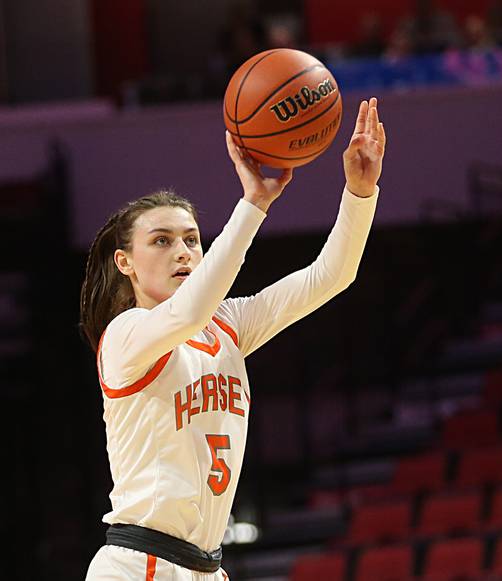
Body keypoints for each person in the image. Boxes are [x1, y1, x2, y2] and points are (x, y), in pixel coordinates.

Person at [82, 98, 386, 580]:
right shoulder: (125, 335)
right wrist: (255, 204)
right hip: (137, 564)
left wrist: (359, 193)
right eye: (161, 240)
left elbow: (330, 276)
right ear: (126, 263)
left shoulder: (228, 324)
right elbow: (188, 312)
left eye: (191, 239)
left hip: (207, 568)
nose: (182, 252)